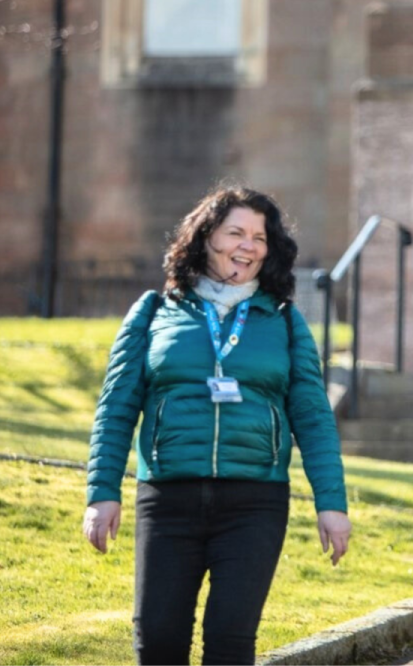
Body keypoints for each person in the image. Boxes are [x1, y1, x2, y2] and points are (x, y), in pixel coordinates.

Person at [82, 186, 351, 665]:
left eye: (259, 237)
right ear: (206, 239)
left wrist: (332, 503)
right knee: (159, 640)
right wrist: (102, 492)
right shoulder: (153, 313)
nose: (248, 246)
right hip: (167, 498)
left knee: (229, 642)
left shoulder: (285, 323)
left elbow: (312, 416)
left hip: (255, 502)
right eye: (235, 233)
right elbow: (116, 407)